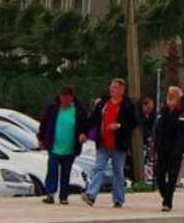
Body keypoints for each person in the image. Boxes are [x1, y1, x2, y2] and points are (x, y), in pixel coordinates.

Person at [83, 78, 139, 208]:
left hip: (119, 144)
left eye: (115, 87)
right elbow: (93, 119)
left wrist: (119, 125)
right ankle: (91, 195)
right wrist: (85, 132)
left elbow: (133, 123)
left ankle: (118, 199)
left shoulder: (127, 105)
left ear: (121, 90)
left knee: (118, 171)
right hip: (103, 142)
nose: (112, 89)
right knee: (98, 168)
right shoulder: (103, 104)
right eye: (111, 87)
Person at [37, 84, 88, 204]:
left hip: (70, 148)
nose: (65, 100)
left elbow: (85, 125)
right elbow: (44, 124)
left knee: (66, 173)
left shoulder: (78, 110)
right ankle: (50, 194)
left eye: (67, 97)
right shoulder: (52, 108)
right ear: (59, 97)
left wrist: (83, 134)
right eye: (63, 97)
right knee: (52, 170)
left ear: (72, 97)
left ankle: (63, 196)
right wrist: (41, 139)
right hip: (54, 147)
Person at [151, 86, 184, 212]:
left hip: (176, 151)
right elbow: (155, 129)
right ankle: (166, 196)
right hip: (162, 149)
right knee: (159, 176)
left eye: (173, 94)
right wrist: (154, 145)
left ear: (179, 97)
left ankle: (167, 202)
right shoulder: (162, 112)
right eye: (169, 93)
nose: (170, 95)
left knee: (172, 177)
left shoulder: (183, 113)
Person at [139, 95, 158, 181]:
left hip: (149, 140)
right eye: (148, 108)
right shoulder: (140, 116)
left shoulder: (151, 116)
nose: (150, 110)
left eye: (151, 109)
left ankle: (149, 174)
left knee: (149, 159)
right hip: (143, 140)